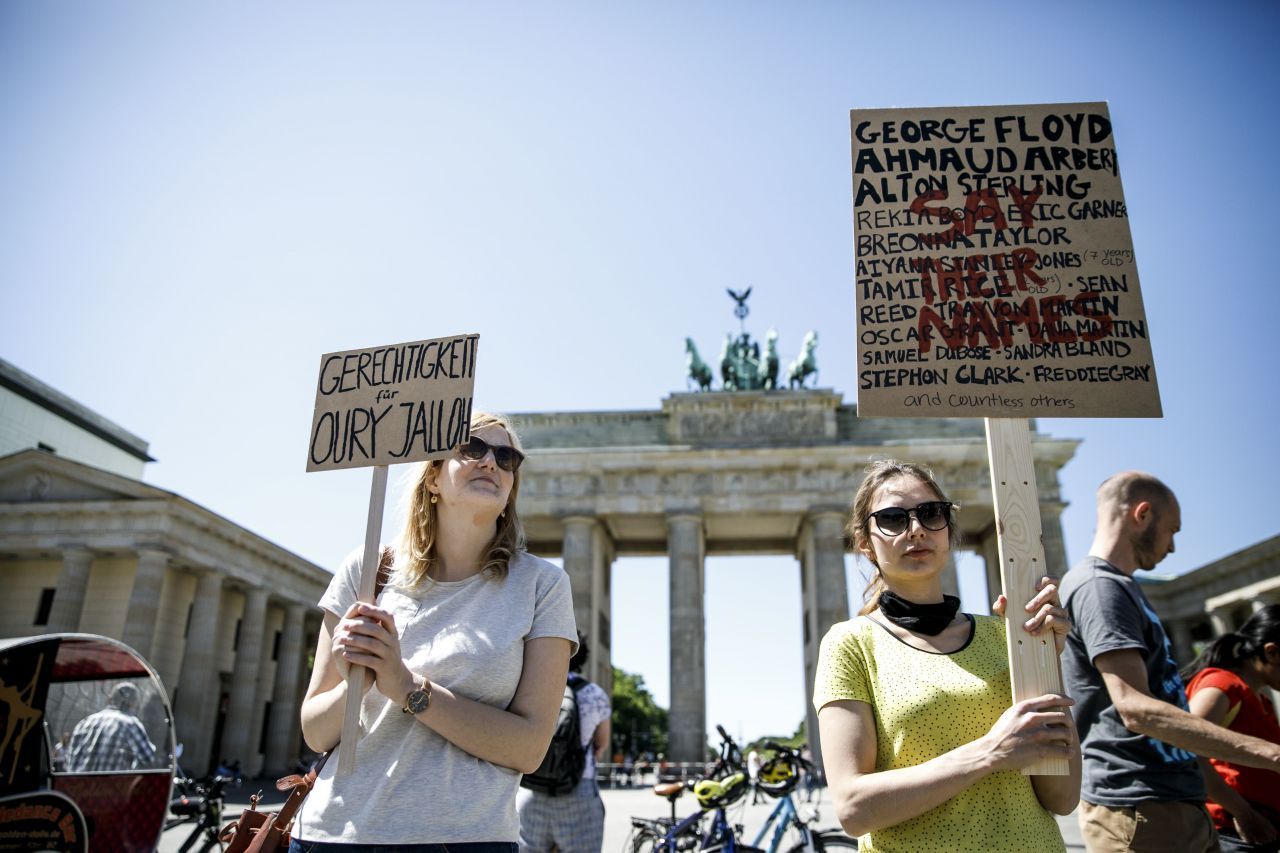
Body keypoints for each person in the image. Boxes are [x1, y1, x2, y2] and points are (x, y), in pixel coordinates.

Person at [295, 412, 577, 851]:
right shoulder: (368, 570)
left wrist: (405, 685)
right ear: (432, 479)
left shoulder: (543, 586)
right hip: (333, 834)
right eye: (471, 449)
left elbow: (528, 749)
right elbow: (315, 731)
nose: (490, 463)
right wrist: (362, 679)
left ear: (511, 491)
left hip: (463, 840)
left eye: (506, 457)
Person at [815, 459, 1080, 852]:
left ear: (949, 528)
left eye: (931, 513)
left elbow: (1062, 798)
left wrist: (1046, 664)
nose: (917, 529)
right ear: (864, 541)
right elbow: (854, 809)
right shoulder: (850, 644)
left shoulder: (1005, 637)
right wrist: (990, 752)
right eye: (892, 519)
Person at [1060, 471, 1280, 852]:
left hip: (1165, 802)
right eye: (1172, 530)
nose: (1173, 547)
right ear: (1142, 515)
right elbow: (1135, 708)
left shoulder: (1119, 586)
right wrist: (1270, 754)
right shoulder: (1100, 586)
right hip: (1140, 805)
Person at [1185, 605, 1280, 851]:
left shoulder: (1261, 699)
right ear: (1272, 652)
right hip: (1234, 833)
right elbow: (1186, 750)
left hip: (1258, 830)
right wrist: (1244, 813)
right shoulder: (1222, 686)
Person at [516, 631, 611, 852]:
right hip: (578, 791)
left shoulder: (529, 687)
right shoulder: (594, 694)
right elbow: (601, 744)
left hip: (531, 789)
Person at [66, 682, 156, 772]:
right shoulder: (130, 724)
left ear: (109, 699)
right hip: (111, 785)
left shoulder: (83, 723)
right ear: (133, 704)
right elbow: (148, 758)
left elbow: (69, 761)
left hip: (76, 784)